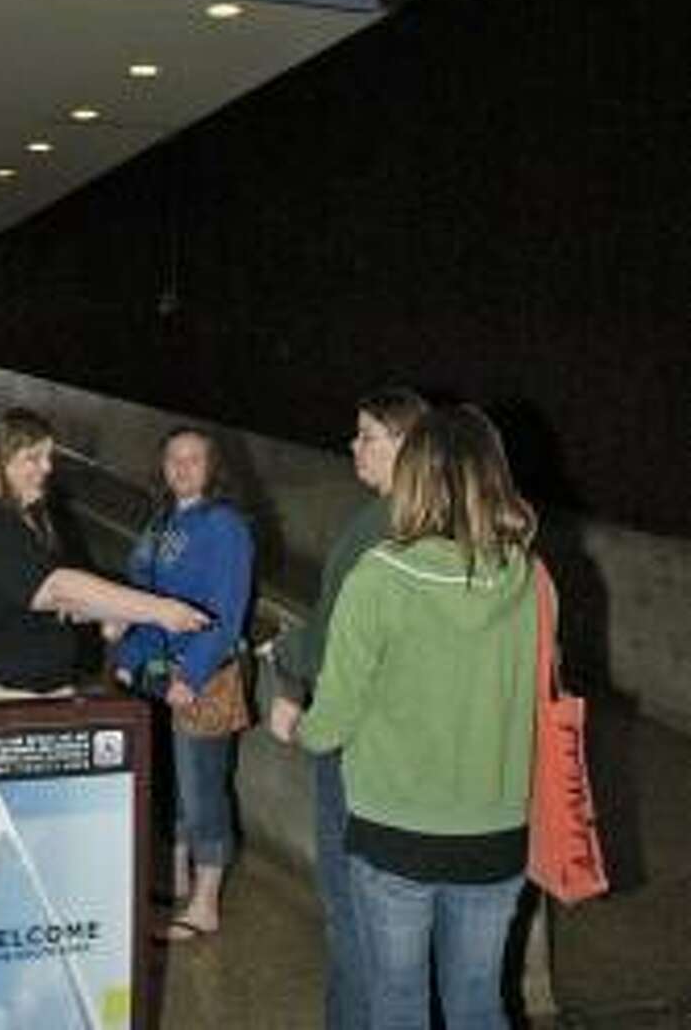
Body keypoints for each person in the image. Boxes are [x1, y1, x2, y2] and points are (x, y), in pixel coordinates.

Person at [295, 404, 538, 1030]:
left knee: (397, 1002)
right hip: (496, 833)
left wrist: (299, 726)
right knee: (479, 1003)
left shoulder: (380, 577)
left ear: (416, 476)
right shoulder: (528, 577)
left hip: (395, 835)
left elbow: (331, 722)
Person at [268, 386, 428, 1030]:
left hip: (358, 744)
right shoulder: (451, 522)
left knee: (354, 912)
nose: (353, 445)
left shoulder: (375, 526)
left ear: (406, 444)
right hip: (427, 755)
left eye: (367, 435)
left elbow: (332, 638)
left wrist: (286, 665)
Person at [0, 408, 210, 703]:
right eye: (33, 458)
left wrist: (111, 610)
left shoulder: (24, 516)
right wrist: (161, 610)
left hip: (11, 692)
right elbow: (57, 588)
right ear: (0, 460)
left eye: (48, 457)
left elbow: (50, 600)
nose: (47, 468)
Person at [114, 428, 255, 941]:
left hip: (203, 677)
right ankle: (175, 879)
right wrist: (130, 657)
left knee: (202, 791)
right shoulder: (162, 521)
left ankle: (206, 902)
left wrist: (190, 674)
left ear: (213, 467)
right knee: (171, 783)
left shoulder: (225, 526)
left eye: (195, 459)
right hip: (155, 673)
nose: (183, 467)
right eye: (174, 458)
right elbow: (143, 597)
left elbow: (227, 612)